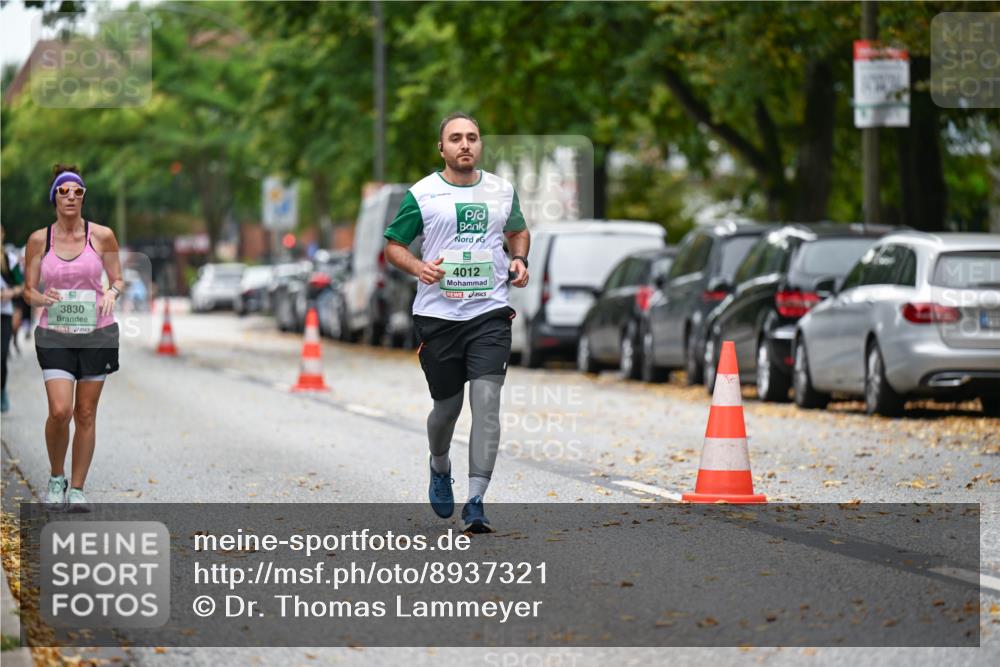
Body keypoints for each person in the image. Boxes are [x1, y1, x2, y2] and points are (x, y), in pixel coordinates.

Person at [384, 112, 530, 533]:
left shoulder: (501, 191)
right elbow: (394, 246)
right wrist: (419, 267)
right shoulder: (422, 194)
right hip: (438, 317)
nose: (465, 145)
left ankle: (477, 500)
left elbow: (518, 231)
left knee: (486, 405)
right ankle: (439, 463)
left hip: (489, 312)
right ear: (442, 148)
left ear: (479, 144)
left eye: (472, 137)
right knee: (446, 409)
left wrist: (518, 258)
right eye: (455, 139)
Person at [23, 164, 124, 512]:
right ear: (54, 196)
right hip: (55, 334)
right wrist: (42, 299)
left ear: (83, 197)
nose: (71, 197)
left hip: (98, 332)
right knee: (60, 410)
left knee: (84, 412)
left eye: (77, 191)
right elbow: (27, 291)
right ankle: (56, 477)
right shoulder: (40, 240)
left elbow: (119, 279)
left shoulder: (103, 236)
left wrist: (112, 292)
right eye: (63, 191)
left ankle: (77, 488)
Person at [1, 225, 24, 412]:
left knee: (1, 356)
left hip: (4, 314)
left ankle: (2, 390)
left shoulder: (9, 260)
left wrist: (10, 293)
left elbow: (22, 286)